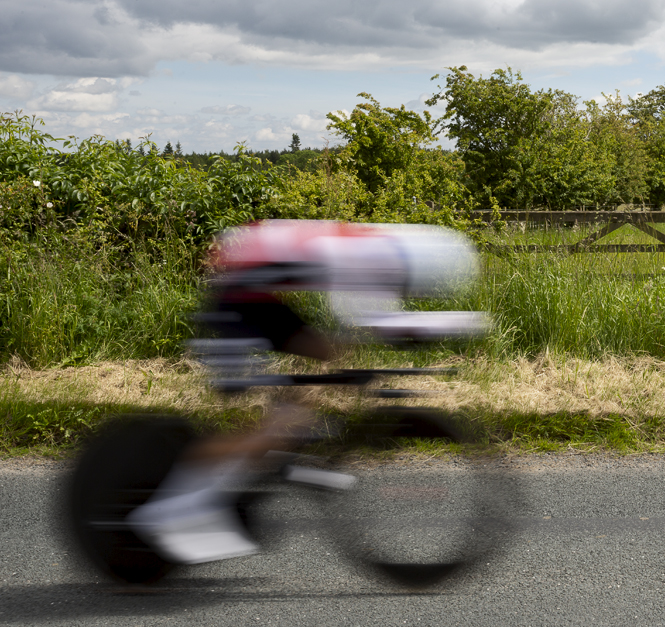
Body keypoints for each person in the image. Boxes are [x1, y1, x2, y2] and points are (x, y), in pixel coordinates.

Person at [128, 219, 482, 565]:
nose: (413, 295)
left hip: (256, 293)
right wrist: (462, 323)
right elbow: (374, 321)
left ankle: (282, 445)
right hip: (237, 301)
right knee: (283, 413)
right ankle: (173, 508)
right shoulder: (373, 257)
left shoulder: (376, 245)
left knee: (330, 355)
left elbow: (360, 322)